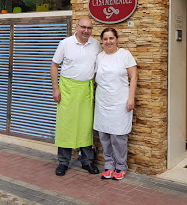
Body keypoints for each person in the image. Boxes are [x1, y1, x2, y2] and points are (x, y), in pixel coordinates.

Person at [50, 16, 102, 176]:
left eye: (89, 28)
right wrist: (55, 88)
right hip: (67, 88)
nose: (86, 31)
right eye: (83, 27)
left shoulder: (96, 44)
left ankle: (87, 162)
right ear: (77, 27)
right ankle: (63, 163)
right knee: (66, 126)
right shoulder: (65, 43)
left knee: (85, 127)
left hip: (86, 89)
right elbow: (54, 65)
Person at [93, 28, 137, 180]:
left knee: (118, 136)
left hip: (120, 101)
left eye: (111, 38)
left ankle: (121, 166)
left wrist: (131, 98)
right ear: (102, 41)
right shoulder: (99, 57)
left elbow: (134, 77)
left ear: (117, 39)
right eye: (105, 39)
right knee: (104, 135)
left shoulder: (124, 55)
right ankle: (109, 165)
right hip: (102, 101)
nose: (108, 41)